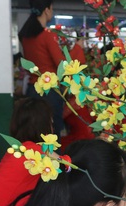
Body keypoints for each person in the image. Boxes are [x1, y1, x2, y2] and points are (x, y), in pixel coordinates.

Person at [18, 0, 86, 137]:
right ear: (47, 10)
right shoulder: (47, 36)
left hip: (33, 90)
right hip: (50, 93)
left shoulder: (26, 37)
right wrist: (78, 47)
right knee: (52, 135)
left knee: (35, 135)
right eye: (52, 8)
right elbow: (62, 67)